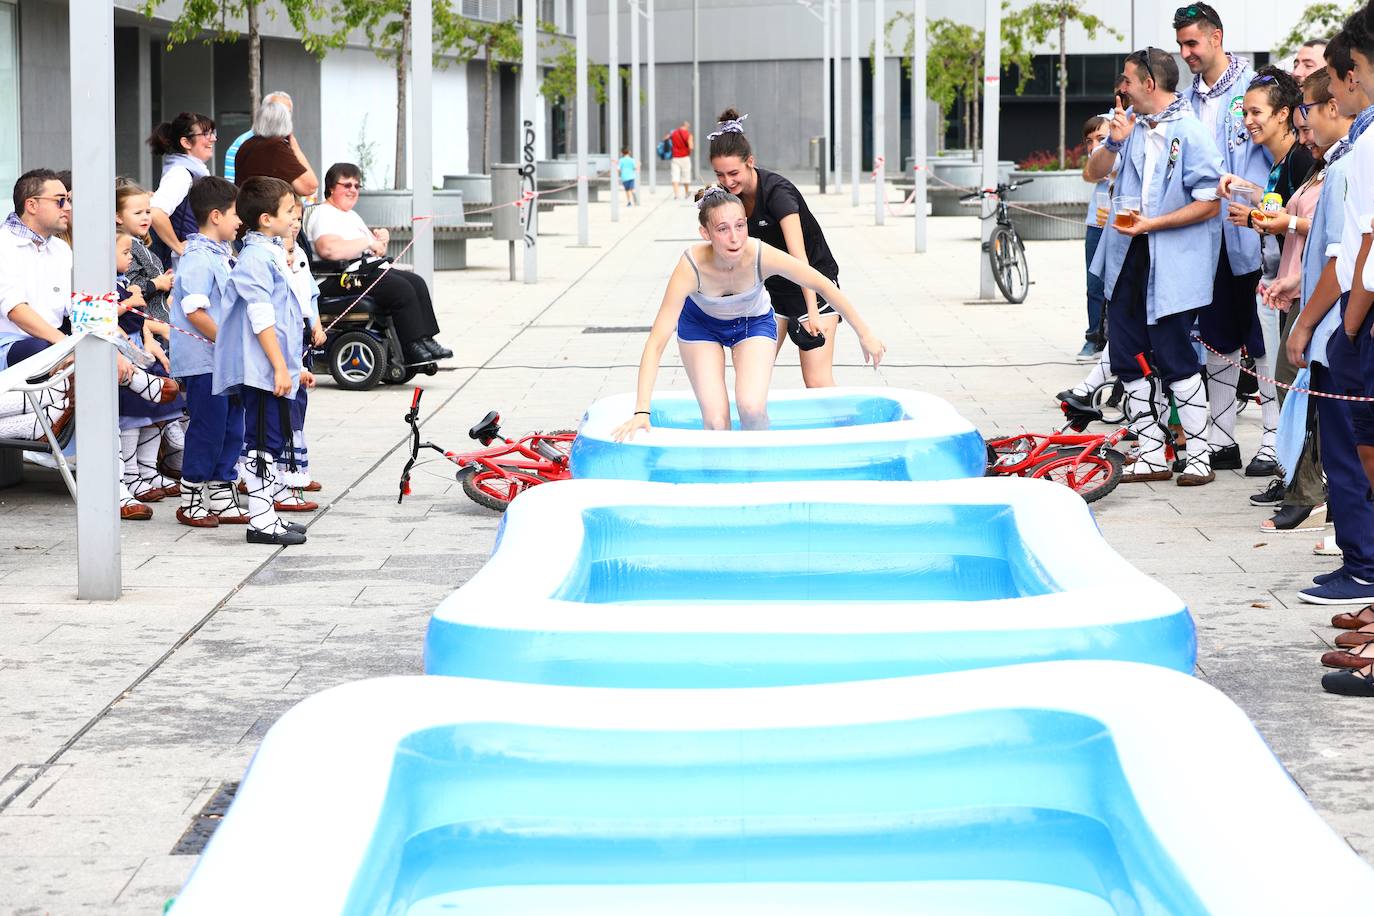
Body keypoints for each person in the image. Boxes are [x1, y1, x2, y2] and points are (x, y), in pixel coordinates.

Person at [613, 185, 885, 441]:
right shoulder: (690, 266)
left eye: (740, 226)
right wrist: (642, 411)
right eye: (722, 229)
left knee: (752, 408)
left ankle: (757, 474)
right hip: (700, 328)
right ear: (705, 233)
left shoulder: (759, 253)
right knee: (717, 422)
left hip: (752, 323)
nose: (734, 237)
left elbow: (821, 283)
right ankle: (720, 478)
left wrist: (865, 332)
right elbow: (656, 341)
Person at [1085, 46, 1223, 486]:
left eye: (1126, 80)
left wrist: (1155, 224)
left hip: (1169, 260)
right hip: (1125, 254)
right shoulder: (1125, 127)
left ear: (1149, 83)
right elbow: (1093, 174)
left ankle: (1198, 456)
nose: (1119, 89)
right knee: (1127, 355)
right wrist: (1112, 142)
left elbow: (1210, 200)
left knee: (1175, 353)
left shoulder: (1190, 131)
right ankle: (1151, 452)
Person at [1175, 3, 1273, 475]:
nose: (1186, 53)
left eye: (1192, 43)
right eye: (1180, 45)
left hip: (1255, 233)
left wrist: (1256, 201)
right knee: (1216, 339)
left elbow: (1277, 158)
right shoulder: (1187, 100)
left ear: (1216, 37)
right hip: (1205, 235)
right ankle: (1222, 436)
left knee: (1262, 339)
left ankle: (1274, 437)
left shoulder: (1256, 88)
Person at [708, 109, 844, 387]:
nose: (727, 181)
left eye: (733, 173)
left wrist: (813, 312)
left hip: (813, 288)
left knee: (817, 381)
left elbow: (799, 257)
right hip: (772, 294)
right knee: (750, 381)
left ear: (751, 162)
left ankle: (844, 429)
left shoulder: (777, 193)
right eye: (719, 175)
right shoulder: (726, 197)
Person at [215, 176, 309, 546]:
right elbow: (261, 317)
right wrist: (280, 366)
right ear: (267, 219)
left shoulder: (269, 251)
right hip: (262, 370)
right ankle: (260, 518)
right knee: (259, 439)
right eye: (289, 211)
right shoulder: (255, 257)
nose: (294, 217)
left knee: (271, 436)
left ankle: (267, 512)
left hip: (273, 366)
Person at [306, 162, 451, 365]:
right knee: (400, 288)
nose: (353, 190)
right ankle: (411, 346)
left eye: (356, 186)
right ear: (331, 187)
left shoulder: (351, 215)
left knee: (416, 282)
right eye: (346, 185)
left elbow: (375, 249)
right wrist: (367, 242)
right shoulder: (324, 213)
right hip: (336, 278)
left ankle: (425, 339)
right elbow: (328, 249)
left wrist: (381, 240)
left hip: (361, 271)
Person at [169, 176, 251, 528]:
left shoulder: (223, 256)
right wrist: (228, 341)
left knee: (234, 426)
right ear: (215, 215)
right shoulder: (198, 259)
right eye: (236, 214)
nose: (240, 221)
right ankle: (191, 498)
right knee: (208, 427)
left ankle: (220, 491)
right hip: (205, 362)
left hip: (227, 362)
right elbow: (194, 311)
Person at [116, 177, 186, 482]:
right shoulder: (124, 245)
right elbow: (129, 295)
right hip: (139, 334)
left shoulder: (140, 246)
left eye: (148, 211)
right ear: (118, 217)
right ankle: (141, 470)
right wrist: (156, 284)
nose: (146, 217)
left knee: (161, 398)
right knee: (144, 403)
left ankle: (151, 465)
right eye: (138, 212)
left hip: (151, 326)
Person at [148, 112, 216, 263]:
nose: (213, 138)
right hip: (180, 265)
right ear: (186, 142)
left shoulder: (189, 171)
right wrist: (178, 247)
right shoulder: (181, 173)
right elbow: (156, 212)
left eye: (212, 133)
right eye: (205, 134)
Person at [232, 95, 319, 198]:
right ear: (285, 123)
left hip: (248, 208)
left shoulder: (246, 145)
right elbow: (310, 187)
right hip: (270, 209)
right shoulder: (276, 148)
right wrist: (295, 148)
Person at [1079, 112, 1114, 360]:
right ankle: (1094, 338)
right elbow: (1087, 174)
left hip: (1121, 225)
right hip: (1096, 224)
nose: (1094, 146)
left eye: (1100, 138)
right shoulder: (1098, 158)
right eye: (1089, 141)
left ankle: (1113, 339)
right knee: (1094, 284)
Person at [222, 91, 292, 184]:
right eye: (277, 111)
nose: (283, 116)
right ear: (264, 112)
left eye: (287, 112)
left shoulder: (287, 142)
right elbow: (231, 185)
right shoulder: (242, 143)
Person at [667, 120, 694, 200]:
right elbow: (691, 147)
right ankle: (686, 193)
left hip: (675, 157)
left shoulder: (674, 133)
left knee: (675, 176)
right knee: (686, 175)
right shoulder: (688, 134)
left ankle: (676, 194)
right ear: (686, 126)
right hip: (685, 157)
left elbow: (666, 139)